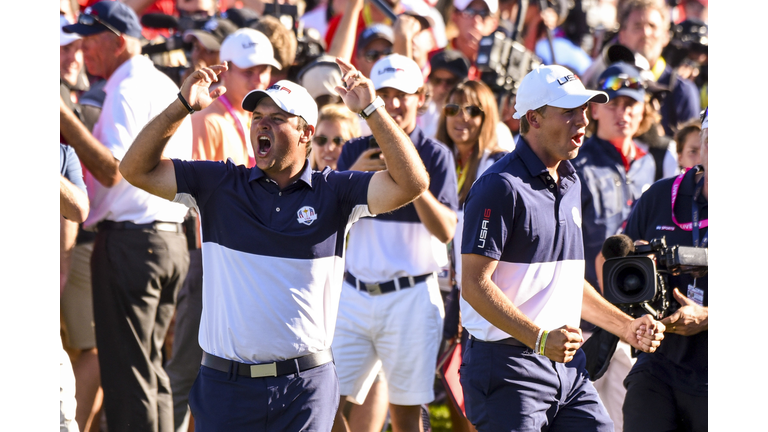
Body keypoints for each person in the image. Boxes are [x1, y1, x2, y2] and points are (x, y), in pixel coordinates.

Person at [118, 56, 430, 430]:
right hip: (225, 388)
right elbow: (134, 169)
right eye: (257, 117)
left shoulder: (336, 191)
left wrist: (372, 109)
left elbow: (412, 183)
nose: (262, 124)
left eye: (277, 118)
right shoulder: (218, 184)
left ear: (306, 133)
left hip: (304, 387)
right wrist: (181, 105)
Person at [458, 64, 666, 431]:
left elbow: (565, 283)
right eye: (569, 111)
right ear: (533, 118)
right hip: (508, 370)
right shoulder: (499, 186)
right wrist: (540, 340)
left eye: (584, 109)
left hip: (568, 368)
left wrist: (626, 326)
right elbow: (474, 285)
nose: (582, 120)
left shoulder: (570, 180)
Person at [59, 2, 193, 431]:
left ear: (117, 42)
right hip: (167, 240)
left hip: (133, 244)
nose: (83, 48)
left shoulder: (126, 87)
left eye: (90, 39)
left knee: (129, 379)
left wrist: (62, 115)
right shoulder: (158, 81)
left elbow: (112, 171)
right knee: (150, 373)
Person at [332, 54, 458, 432]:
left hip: (412, 298)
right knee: (323, 400)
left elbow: (446, 231)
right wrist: (350, 177)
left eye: (403, 94)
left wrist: (409, 179)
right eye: (384, 94)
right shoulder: (353, 150)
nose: (395, 103)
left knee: (406, 414)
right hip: (352, 295)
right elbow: (330, 220)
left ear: (421, 98)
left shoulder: (436, 155)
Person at [572, 61, 676, 432]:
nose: (623, 112)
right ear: (595, 109)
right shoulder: (576, 163)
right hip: (582, 320)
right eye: (614, 103)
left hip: (636, 317)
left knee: (622, 420)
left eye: (631, 103)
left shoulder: (654, 163)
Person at [621, 108, 708, 432]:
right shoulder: (661, 195)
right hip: (659, 360)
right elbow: (617, 265)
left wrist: (709, 316)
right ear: (703, 144)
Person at [434, 79, 507, 431]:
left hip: (479, 293)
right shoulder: (438, 160)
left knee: (475, 394)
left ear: (487, 117)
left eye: (472, 111)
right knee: (450, 384)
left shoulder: (497, 164)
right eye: (453, 109)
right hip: (440, 289)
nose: (461, 117)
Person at [418, 49, 469, 139]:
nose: (442, 88)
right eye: (436, 80)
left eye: (450, 82)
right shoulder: (421, 111)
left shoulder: (472, 116)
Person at [310, 103, 361, 171]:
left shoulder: (371, 176)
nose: (328, 149)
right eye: (321, 140)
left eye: (338, 141)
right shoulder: (299, 177)